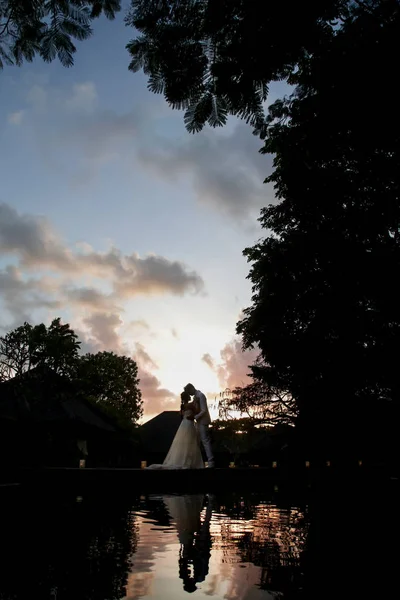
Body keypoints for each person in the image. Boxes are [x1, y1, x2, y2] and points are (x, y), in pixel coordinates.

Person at [147, 392, 204, 469]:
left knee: (183, 442)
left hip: (183, 424)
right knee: (191, 441)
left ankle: (183, 459)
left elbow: (182, 415)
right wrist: (196, 402)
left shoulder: (183, 406)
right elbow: (197, 411)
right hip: (189, 424)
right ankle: (190, 461)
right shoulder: (190, 405)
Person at [184, 383, 215, 468]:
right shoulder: (195, 397)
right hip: (198, 422)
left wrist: (194, 417)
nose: (189, 394)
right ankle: (196, 462)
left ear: (191, 388)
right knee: (197, 442)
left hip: (203, 421)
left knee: (205, 441)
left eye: (189, 392)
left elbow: (204, 410)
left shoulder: (201, 396)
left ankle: (211, 462)